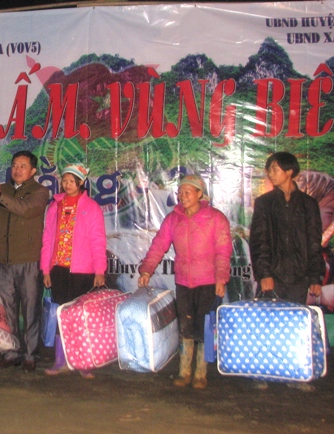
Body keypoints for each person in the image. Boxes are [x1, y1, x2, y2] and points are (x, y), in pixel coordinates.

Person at [137, 174, 231, 389]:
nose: (182, 196)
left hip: (208, 282)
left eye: (187, 192)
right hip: (184, 282)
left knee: (204, 327)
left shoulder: (215, 218)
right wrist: (146, 270)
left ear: (200, 194)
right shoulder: (173, 219)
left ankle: (200, 373)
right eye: (180, 192)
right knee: (186, 326)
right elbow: (159, 245)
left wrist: (221, 278)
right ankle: (184, 371)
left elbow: (223, 251)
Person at [0, 150, 50, 372]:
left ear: (33, 170)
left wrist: (0, 196)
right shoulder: (4, 189)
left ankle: (30, 355)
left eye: (22, 166)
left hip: (28, 260)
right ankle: (11, 352)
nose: (17, 170)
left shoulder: (40, 192)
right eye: (14, 165)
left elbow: (25, 210)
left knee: (30, 310)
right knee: (6, 309)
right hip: (3, 260)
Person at [40, 164, 107, 379]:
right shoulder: (55, 206)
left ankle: (83, 362)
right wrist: (45, 269)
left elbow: (98, 241)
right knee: (61, 316)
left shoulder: (91, 207)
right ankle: (60, 361)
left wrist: (99, 270)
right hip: (59, 270)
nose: (67, 184)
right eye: (64, 180)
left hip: (83, 272)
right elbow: (47, 239)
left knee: (80, 317)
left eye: (71, 181)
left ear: (80, 183)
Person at [250, 152, 324, 304]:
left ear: (289, 171)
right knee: (269, 318)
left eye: (275, 169)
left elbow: (314, 242)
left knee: (295, 317)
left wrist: (315, 277)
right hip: (272, 278)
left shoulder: (308, 204)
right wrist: (264, 274)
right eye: (269, 170)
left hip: (300, 279)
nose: (270, 174)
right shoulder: (264, 203)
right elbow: (259, 241)